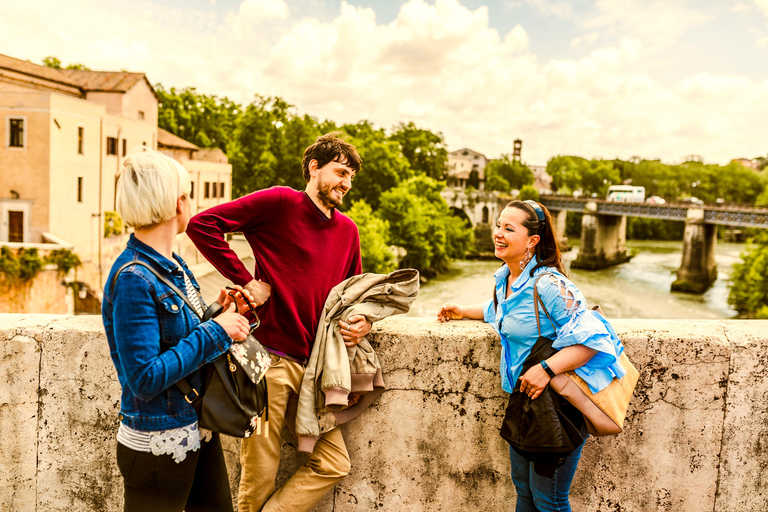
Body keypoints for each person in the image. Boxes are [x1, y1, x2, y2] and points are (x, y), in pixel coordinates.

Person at [186, 132, 372, 512]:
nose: (347, 184)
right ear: (314, 168)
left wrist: (362, 321)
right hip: (268, 363)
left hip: (316, 368)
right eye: (340, 172)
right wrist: (246, 280)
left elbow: (353, 295)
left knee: (334, 463)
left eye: (351, 177)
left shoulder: (348, 232)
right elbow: (202, 225)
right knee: (258, 480)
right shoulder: (281, 202)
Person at [438, 200, 626, 512]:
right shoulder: (505, 279)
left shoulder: (550, 284)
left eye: (509, 229)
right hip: (523, 404)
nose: (498, 233)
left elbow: (595, 339)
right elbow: (503, 312)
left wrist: (546, 369)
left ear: (532, 240)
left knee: (549, 501)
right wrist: (463, 311)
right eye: (498, 225)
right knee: (524, 493)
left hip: (556, 408)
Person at [102, 147, 254, 512]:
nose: (190, 201)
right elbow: (144, 377)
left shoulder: (175, 264)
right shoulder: (133, 279)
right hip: (157, 442)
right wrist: (216, 331)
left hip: (196, 429)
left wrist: (219, 312)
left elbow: (181, 336)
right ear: (177, 202)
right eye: (186, 193)